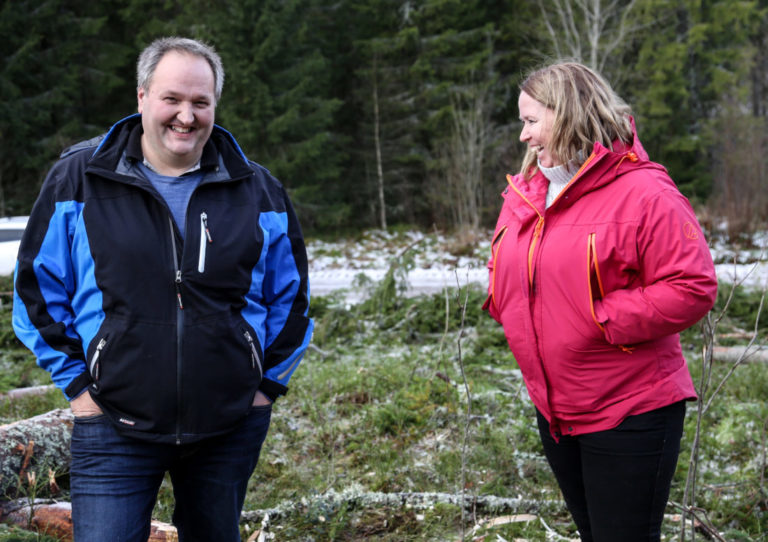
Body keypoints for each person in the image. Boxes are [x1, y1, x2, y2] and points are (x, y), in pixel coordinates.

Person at [12, 37, 313, 542]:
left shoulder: (258, 189)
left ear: (215, 104)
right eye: (172, 99)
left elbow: (293, 298)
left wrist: (264, 389)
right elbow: (36, 290)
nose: (186, 116)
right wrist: (79, 389)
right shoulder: (80, 177)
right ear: (142, 97)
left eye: (201, 102)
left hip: (228, 424)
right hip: (111, 423)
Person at [483, 61, 717, 541]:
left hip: (630, 410)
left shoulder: (644, 192)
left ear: (568, 115)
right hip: (556, 410)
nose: (523, 136)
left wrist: (601, 318)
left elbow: (692, 285)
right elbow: (505, 261)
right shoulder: (528, 191)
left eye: (531, 121)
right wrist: (504, 303)